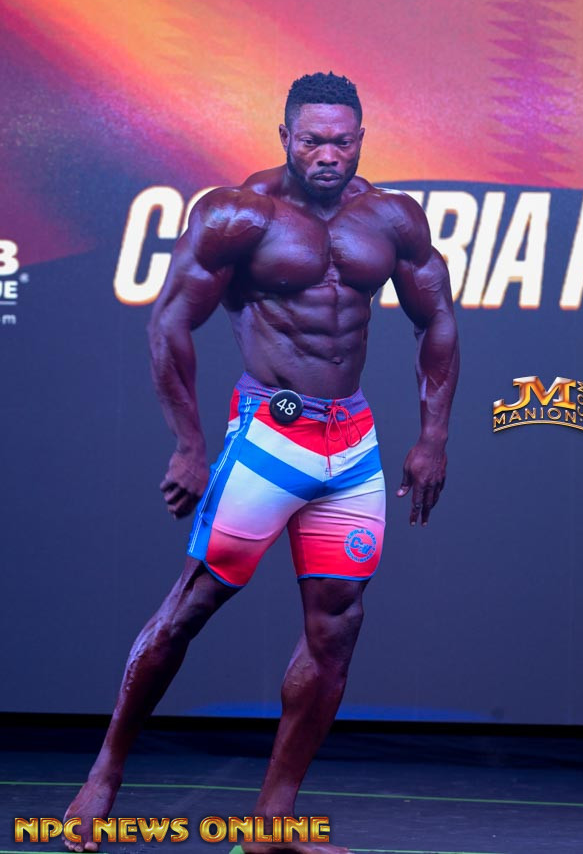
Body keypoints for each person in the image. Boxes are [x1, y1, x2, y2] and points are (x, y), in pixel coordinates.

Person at [63, 71, 459, 854]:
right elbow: (169, 323)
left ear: (360, 140)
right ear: (285, 137)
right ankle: (104, 775)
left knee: (337, 627)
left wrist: (433, 437)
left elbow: (437, 320)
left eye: (341, 141)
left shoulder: (392, 219)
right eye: (312, 140)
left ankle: (273, 821)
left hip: (350, 443)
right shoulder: (240, 215)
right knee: (192, 606)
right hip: (269, 437)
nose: (327, 154)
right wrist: (189, 442)